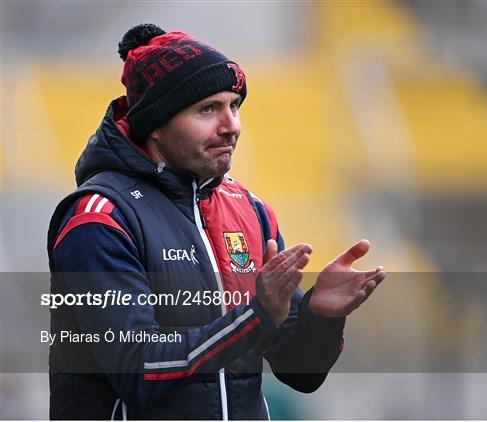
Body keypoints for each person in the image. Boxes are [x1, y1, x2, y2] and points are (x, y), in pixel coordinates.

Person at [47, 23, 386, 420]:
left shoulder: (249, 209)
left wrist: (320, 319)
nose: (231, 126)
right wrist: (256, 316)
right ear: (155, 123)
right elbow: (139, 370)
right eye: (208, 109)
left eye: (234, 106)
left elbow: (298, 372)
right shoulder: (100, 219)